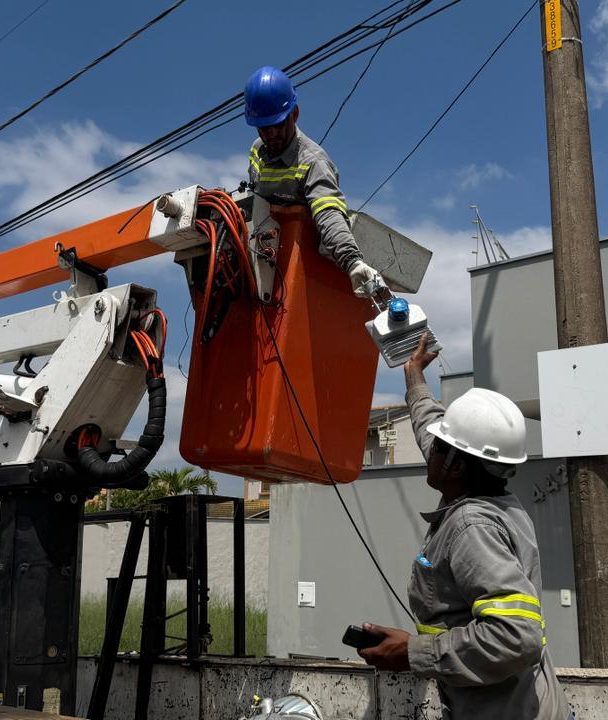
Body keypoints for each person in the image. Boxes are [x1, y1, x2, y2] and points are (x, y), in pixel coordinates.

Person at [358, 334, 571, 720]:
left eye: (439, 448)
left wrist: (411, 653)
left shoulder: (472, 527)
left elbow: (516, 636)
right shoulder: (489, 494)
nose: (430, 449)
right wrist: (414, 377)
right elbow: (433, 430)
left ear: (457, 464)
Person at [243, 65, 382, 297]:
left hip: (301, 269)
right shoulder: (258, 150)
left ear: (294, 114)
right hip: (265, 260)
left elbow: (328, 211)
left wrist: (352, 261)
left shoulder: (313, 161)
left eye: (278, 125)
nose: (271, 135)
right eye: (264, 129)